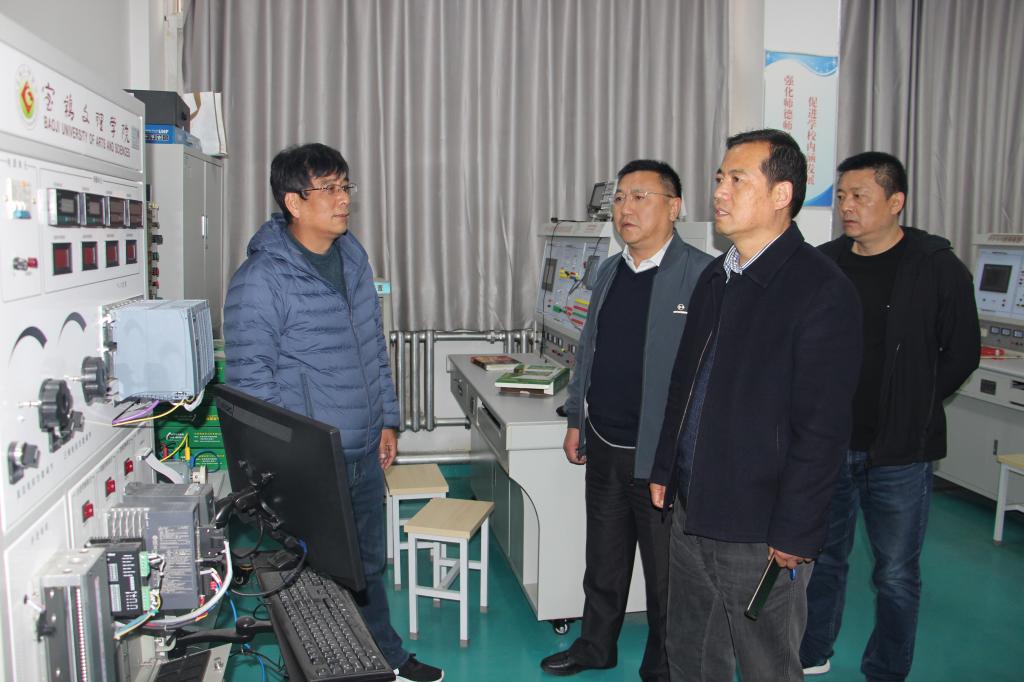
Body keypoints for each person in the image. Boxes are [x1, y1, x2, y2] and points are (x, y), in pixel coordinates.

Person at [647, 129, 862, 681]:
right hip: (693, 506)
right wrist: (665, 467)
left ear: (781, 194)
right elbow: (684, 384)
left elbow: (822, 429)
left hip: (761, 527)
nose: (719, 191)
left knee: (767, 660)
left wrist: (796, 529)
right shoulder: (717, 277)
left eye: (737, 180)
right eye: (720, 178)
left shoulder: (820, 289)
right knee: (691, 650)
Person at [223, 143, 443, 682]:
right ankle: (330, 670)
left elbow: (373, 347)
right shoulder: (261, 280)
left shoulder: (352, 258)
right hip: (311, 464)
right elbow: (253, 388)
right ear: (294, 202)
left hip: (362, 447)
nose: (343, 200)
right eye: (329, 189)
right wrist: (289, 466)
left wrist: (387, 419)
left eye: (345, 186)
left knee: (366, 564)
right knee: (315, 579)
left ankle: (385, 658)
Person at [800, 152, 980, 681]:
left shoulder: (936, 266)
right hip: (832, 442)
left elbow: (962, 352)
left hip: (900, 451)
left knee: (896, 573)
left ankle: (886, 669)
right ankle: (812, 649)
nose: (847, 207)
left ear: (895, 201)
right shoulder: (825, 263)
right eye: (841, 196)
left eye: (860, 196)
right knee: (822, 558)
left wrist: (915, 405)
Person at [540, 160, 712, 680]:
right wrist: (576, 418)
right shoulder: (611, 271)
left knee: (665, 575)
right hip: (604, 441)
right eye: (619, 198)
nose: (625, 209)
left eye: (640, 197)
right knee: (604, 558)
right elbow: (588, 350)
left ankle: (663, 665)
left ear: (674, 207)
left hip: (659, 456)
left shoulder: (701, 275)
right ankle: (596, 646)